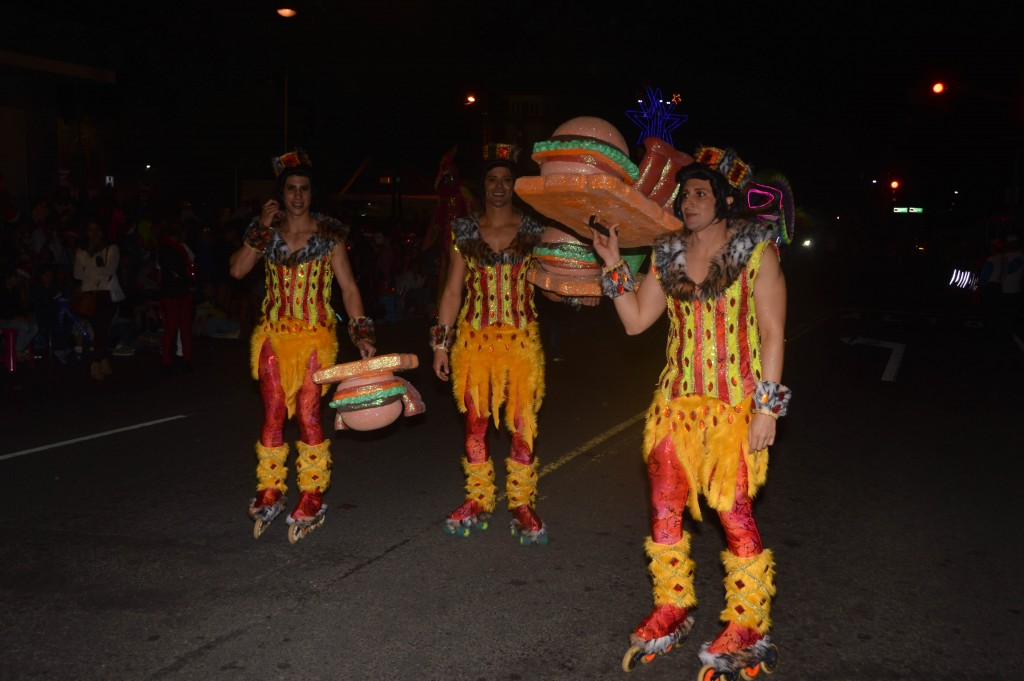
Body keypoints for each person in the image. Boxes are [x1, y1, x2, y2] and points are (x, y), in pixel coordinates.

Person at [590, 146, 789, 677]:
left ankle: (749, 621)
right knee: (664, 512)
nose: (689, 200)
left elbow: (771, 333)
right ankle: (673, 604)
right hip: (674, 407)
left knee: (734, 515)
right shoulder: (668, 254)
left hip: (733, 408)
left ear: (725, 200)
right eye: (685, 193)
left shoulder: (756, 251)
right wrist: (612, 265)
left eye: (701, 192)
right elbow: (634, 321)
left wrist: (767, 409)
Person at [229, 149, 376, 544]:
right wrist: (259, 227)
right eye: (291, 189)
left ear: (313, 194)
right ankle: (271, 488)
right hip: (274, 336)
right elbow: (237, 269)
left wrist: (362, 335)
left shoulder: (329, 236)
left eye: (304, 189)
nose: (297, 196)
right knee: (274, 413)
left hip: (314, 337)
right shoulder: (268, 236)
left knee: (309, 414)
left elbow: (348, 289)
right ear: (281, 194)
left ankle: (311, 493)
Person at [431, 157, 550, 545]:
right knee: (475, 425)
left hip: (520, 343)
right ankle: (479, 497)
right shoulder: (464, 231)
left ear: (514, 186)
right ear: (482, 186)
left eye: (506, 180)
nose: (499, 186)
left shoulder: (534, 229)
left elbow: (552, 279)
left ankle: (520, 501)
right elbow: (452, 290)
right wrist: (440, 345)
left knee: (521, 426)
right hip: (474, 342)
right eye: (492, 180)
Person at [73, 219, 120, 380]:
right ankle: (102, 360)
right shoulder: (81, 251)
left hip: (105, 293)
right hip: (89, 294)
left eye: (97, 229)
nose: (94, 234)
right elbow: (77, 273)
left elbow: (110, 270)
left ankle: (96, 363)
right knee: (99, 330)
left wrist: (89, 269)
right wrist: (96, 270)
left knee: (102, 330)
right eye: (90, 230)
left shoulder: (111, 248)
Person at [157, 219, 197, 375]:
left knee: (185, 327)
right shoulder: (165, 248)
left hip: (182, 291)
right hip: (171, 292)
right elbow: (171, 270)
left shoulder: (182, 248)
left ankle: (185, 359)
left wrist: (189, 278)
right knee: (172, 326)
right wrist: (186, 278)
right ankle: (166, 361)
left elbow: (188, 267)